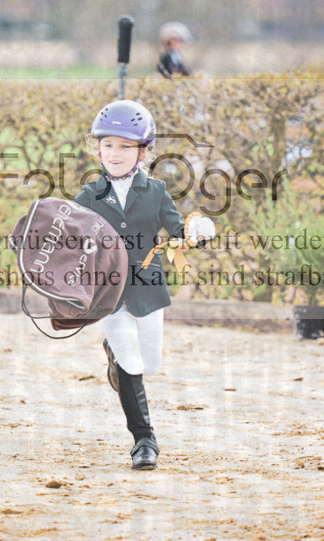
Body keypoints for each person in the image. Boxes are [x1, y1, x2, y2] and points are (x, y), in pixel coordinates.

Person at [74, 100, 213, 470]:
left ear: (142, 152)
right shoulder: (88, 196)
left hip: (148, 289)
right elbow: (65, 230)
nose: (114, 153)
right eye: (108, 145)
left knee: (149, 364)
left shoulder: (156, 192)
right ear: (97, 149)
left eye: (125, 146)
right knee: (131, 360)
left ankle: (114, 359)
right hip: (108, 294)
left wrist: (197, 234)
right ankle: (144, 440)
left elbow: (178, 231)